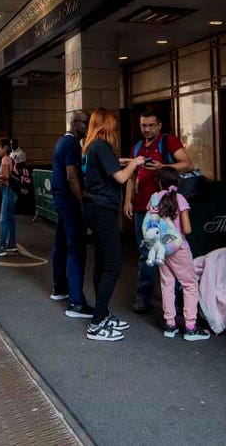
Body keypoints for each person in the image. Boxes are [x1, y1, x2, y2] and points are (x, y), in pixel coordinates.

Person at [81, 109, 147, 342]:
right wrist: (137, 162)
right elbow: (119, 178)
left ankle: (103, 313)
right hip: (102, 209)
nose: (116, 130)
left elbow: (108, 166)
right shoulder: (101, 145)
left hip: (93, 208)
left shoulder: (91, 146)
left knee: (102, 262)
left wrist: (124, 161)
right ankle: (98, 322)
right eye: (114, 125)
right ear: (106, 126)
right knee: (113, 265)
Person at [123, 111, 195, 314]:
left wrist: (162, 167)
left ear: (159, 125)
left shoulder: (168, 141)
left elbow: (187, 164)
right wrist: (127, 200)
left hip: (166, 209)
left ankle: (181, 299)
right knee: (145, 253)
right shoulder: (137, 147)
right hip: (141, 208)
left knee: (173, 252)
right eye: (143, 125)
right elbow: (131, 176)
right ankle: (143, 296)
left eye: (150, 125)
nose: (146, 129)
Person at [147, 167, 211, 341]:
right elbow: (188, 229)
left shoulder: (154, 198)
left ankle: (170, 325)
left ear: (159, 183)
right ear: (178, 182)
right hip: (179, 248)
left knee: (167, 284)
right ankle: (190, 327)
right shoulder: (180, 199)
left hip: (160, 247)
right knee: (190, 284)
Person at [50, 111, 94, 318]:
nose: (88, 129)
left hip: (60, 201)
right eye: (86, 124)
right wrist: (82, 200)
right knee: (76, 248)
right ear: (75, 123)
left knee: (60, 245)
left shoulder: (60, 142)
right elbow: (71, 175)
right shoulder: (72, 145)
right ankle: (76, 302)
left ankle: (60, 288)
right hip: (69, 202)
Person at [0, 138, 19, 258]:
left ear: (5, 148)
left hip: (7, 191)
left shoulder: (5, 159)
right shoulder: (8, 159)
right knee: (10, 218)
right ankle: (12, 243)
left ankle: (1, 247)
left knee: (3, 219)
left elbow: (6, 176)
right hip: (10, 191)